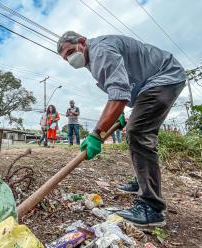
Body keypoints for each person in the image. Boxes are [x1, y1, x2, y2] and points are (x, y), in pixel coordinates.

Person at [57, 31, 186, 226]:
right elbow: (120, 86)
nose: (70, 60)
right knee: (139, 131)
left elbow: (118, 94)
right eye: (65, 58)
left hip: (164, 76)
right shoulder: (92, 60)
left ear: (82, 42)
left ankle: (151, 208)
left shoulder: (100, 50)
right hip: (152, 83)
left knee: (138, 132)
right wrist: (120, 113)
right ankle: (142, 182)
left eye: (70, 52)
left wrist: (96, 133)